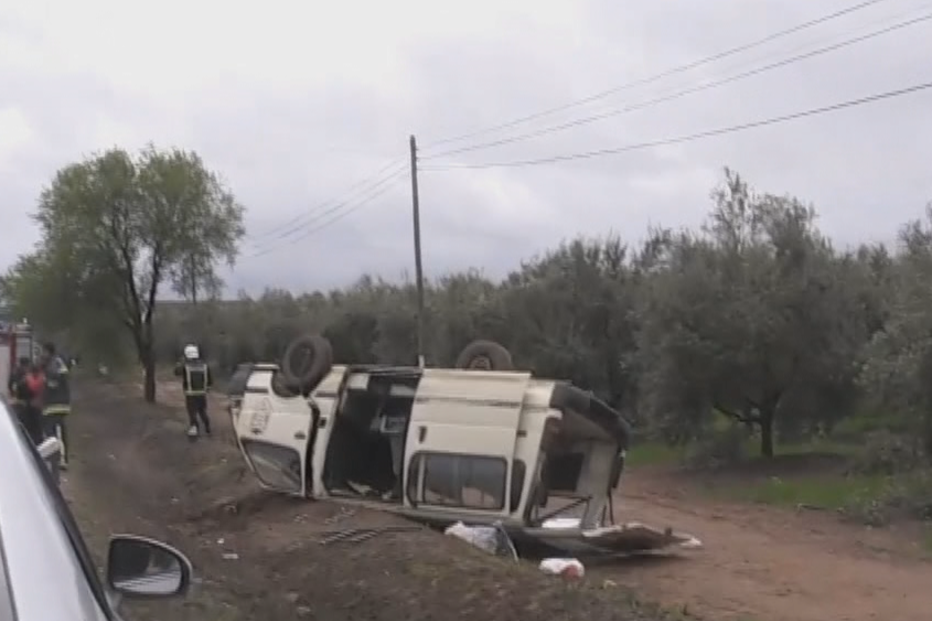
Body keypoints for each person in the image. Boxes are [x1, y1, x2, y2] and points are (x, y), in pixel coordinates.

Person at [40, 341, 71, 469]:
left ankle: (60, 460)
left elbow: (56, 380)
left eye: (44, 351)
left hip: (55, 404)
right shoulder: (55, 363)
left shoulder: (53, 364)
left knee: (55, 433)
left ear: (48, 351)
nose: (42, 354)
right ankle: (58, 459)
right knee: (55, 432)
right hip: (56, 403)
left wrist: (46, 381)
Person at [174, 344, 212, 438]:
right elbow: (210, 380)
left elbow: (176, 372)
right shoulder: (204, 366)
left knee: (192, 412)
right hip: (202, 394)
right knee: (202, 411)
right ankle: (207, 428)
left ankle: (194, 428)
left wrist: (180, 363)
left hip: (191, 394)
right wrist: (207, 388)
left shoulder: (185, 366)